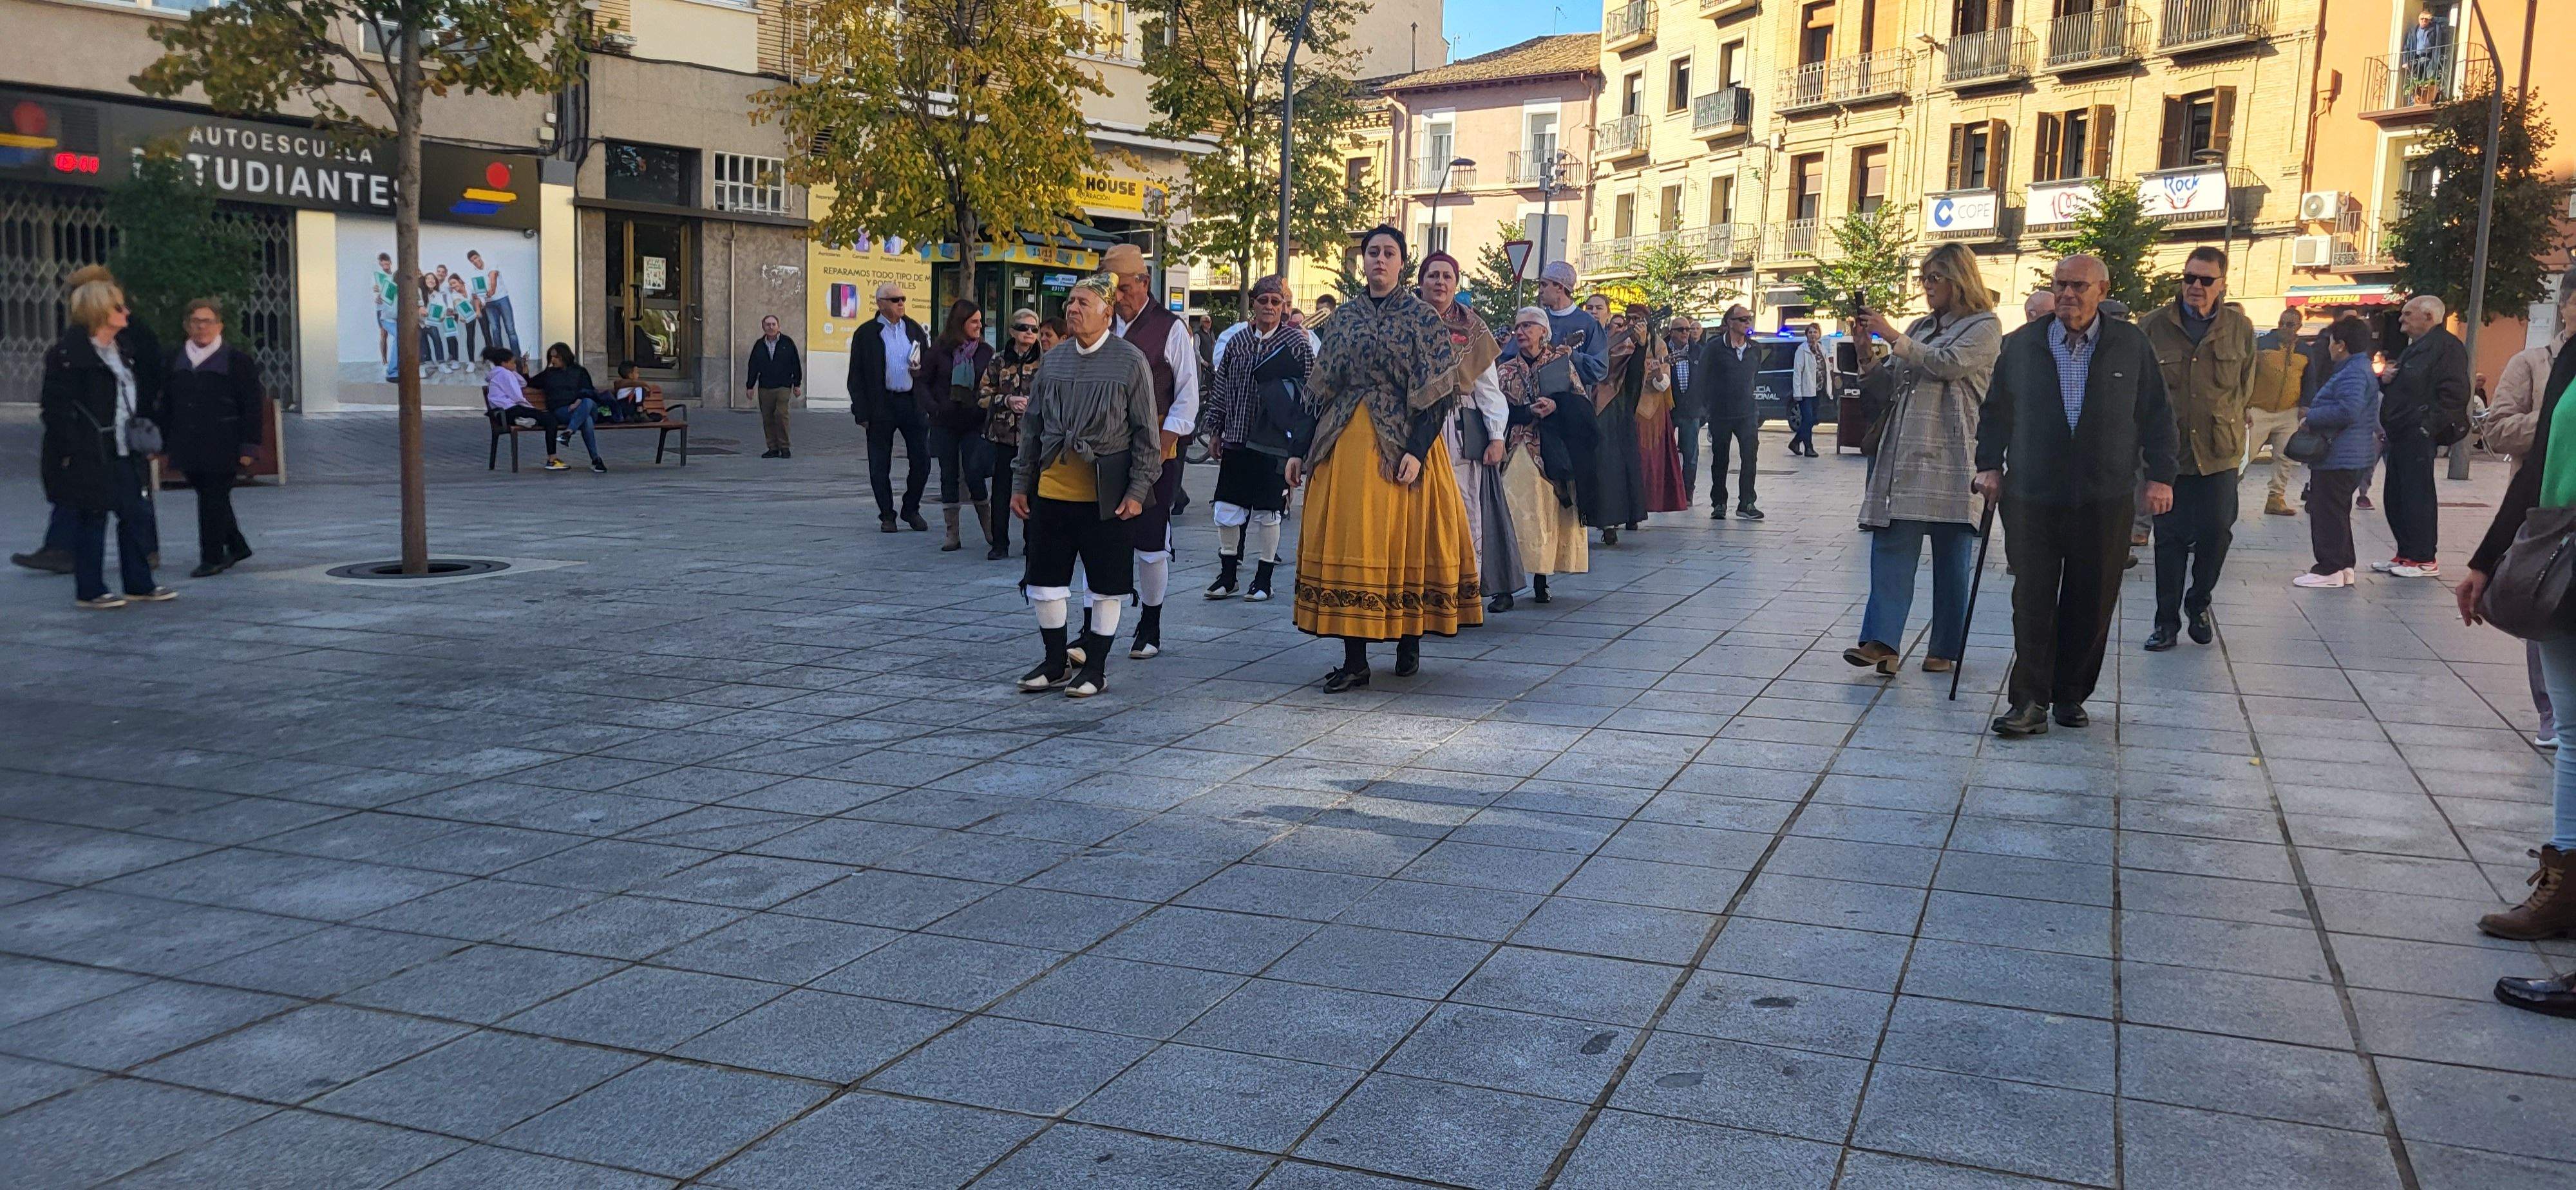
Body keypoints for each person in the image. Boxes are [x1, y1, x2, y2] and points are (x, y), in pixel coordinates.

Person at [1975, 254, 2177, 737]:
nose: (2067, 295)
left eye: (2079, 286)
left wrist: (2161, 477)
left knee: (2093, 600)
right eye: (2060, 285)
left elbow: (2157, 415)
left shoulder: (2130, 344)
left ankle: (2070, 693)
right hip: (2032, 495)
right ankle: (2028, 700)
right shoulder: (2021, 345)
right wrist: (1987, 465)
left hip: (2105, 496)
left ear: (2102, 291)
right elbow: (1995, 411)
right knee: (2033, 599)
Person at [1287, 225, 1482, 690]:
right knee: (1349, 543)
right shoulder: (1344, 317)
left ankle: (1407, 637)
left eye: (1388, 253)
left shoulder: (1422, 318)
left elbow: (1438, 394)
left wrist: (1417, 451)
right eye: (1372, 252)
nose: (1379, 260)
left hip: (1405, 442)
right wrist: (1298, 450)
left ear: (1401, 263)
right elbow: (1318, 388)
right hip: (1345, 439)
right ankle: (1354, 659)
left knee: (1403, 541)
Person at [2454, 314, 2576, 956]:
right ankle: (2563, 889)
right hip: (2561, 551)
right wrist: (2485, 558)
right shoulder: (2568, 360)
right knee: (2573, 730)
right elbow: (2535, 471)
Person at [1847, 243, 2003, 676]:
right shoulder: (1921, 325)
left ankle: (1945, 647)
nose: (1927, 287)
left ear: (1959, 279)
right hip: (1907, 452)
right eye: (1924, 279)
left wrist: (1893, 335)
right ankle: (1882, 643)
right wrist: (1866, 350)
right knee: (1892, 543)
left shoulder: (1985, 326)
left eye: (1935, 278)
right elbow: (1887, 387)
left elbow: (1948, 364)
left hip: (1954, 453)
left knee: (1952, 556)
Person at [1010, 272, 1160, 699]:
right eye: (1070, 303)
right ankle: (1055, 661)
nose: (1073, 310)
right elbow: (1033, 427)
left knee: (1108, 585)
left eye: (1083, 304)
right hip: (1052, 491)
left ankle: (1094, 667)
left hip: (1106, 494)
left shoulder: (1130, 361)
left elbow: (1147, 433)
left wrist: (1136, 492)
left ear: (1108, 314)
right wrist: (1022, 482)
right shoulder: (1053, 360)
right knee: (1045, 582)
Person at [2139, 247, 2258, 652]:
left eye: (2206, 280)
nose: (2195, 286)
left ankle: (2199, 601)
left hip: (2219, 453)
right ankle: (2165, 622)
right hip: (2168, 454)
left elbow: (2243, 386)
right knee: (2169, 540)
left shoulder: (2240, 328)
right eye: (2189, 278)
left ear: (2223, 284)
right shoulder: (2153, 325)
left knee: (2216, 534)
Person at [17, 266, 161, 577]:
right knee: (93, 508)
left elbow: (145, 378)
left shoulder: (128, 339)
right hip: (94, 442)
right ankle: (83, 572)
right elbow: (58, 407)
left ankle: (139, 562)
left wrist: (143, 418)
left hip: (123, 436)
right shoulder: (75, 348)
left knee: (131, 504)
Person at [42, 274, 175, 608]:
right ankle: (90, 589)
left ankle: (139, 583)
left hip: (125, 447)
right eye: (118, 306)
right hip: (90, 450)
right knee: (93, 516)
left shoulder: (124, 351)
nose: (126, 312)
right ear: (99, 310)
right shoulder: (68, 356)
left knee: (136, 513)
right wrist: (73, 447)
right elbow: (55, 410)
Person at [2480, 278, 2575, 744]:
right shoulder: (2533, 363)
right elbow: (2496, 431)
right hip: (2543, 511)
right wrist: (2558, 416)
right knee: (2548, 603)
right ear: (2565, 307)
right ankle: (2550, 715)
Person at [1102, 243, 1200, 661]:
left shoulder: (1170, 328)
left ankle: (1151, 621)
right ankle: (1098, 630)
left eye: (1124, 289)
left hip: (1156, 448)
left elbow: (1188, 397)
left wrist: (1161, 448)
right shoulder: (1100, 324)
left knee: (1149, 538)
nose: (1118, 298)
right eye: (1112, 290)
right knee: (1105, 536)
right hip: (1106, 449)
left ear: (1143, 283)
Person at [1419, 253, 1524, 611]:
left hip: (1458, 426)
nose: (1440, 282)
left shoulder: (1472, 328)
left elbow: (1489, 388)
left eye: (1447, 276)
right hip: (1412, 425)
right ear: (1421, 282)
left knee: (1463, 508)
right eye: (1433, 275)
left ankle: (1465, 592)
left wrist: (1497, 436)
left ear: (1456, 282)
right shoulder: (1407, 321)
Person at [1201, 275, 1307, 603]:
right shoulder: (1236, 342)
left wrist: (1300, 442)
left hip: (1274, 440)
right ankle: (1228, 575)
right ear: (1254, 304)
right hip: (1236, 434)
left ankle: (1264, 579)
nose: (1271, 308)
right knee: (1228, 506)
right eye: (1265, 301)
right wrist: (1215, 428)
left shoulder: (1297, 343)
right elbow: (1221, 387)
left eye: (1277, 302)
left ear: (1284, 306)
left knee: (1269, 510)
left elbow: (1311, 393)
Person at [1498, 306, 1592, 604]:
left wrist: (1556, 407)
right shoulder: (1505, 369)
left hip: (1553, 447)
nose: (1521, 332)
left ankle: (1541, 578)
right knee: (1512, 511)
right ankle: (1505, 588)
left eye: (1528, 326)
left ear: (1543, 331)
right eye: (1518, 327)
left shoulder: (1561, 364)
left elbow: (1581, 405)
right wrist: (1526, 412)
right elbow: (1495, 409)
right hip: (1517, 444)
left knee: (1548, 512)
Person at [162, 299, 263, 578]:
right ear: (187, 325)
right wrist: (161, 441)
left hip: (224, 443)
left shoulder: (238, 362)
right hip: (187, 442)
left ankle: (212, 557)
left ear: (219, 325)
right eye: (196, 321)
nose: (201, 327)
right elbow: (165, 403)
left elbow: (252, 407)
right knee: (211, 496)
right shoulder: (174, 359)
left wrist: (249, 447)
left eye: (207, 321)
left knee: (212, 498)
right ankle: (238, 545)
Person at [2377, 294, 2470, 577]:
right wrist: (2386, 380)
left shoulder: (2446, 348)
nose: (2401, 319)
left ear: (2429, 317)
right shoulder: (2415, 348)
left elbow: (2454, 394)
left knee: (2418, 494)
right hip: (2400, 432)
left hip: (2417, 432)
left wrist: (2425, 427)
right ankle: (2405, 554)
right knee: (2396, 494)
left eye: (2408, 314)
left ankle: (2424, 558)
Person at [2293, 316, 2383, 590]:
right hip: (2350, 454)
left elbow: (2348, 410)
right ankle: (2344, 566)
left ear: (2341, 345)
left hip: (2340, 454)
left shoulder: (2352, 372)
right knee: (2337, 510)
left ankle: (2328, 568)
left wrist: (2312, 417)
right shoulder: (2359, 367)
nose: (2329, 347)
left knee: (2325, 511)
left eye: (2332, 342)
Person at [850, 281, 933, 533]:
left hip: (911, 401)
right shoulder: (866, 334)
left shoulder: (914, 329)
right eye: (895, 300)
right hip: (881, 404)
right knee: (879, 464)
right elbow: (856, 377)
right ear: (881, 304)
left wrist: (922, 376)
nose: (901, 304)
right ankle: (887, 514)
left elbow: (928, 364)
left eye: (903, 299)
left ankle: (911, 508)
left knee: (922, 460)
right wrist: (862, 412)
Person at [923, 300, 996, 553]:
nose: (980, 326)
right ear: (960, 322)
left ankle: (989, 527)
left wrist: (982, 407)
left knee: (974, 471)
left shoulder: (985, 352)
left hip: (974, 422)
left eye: (980, 321)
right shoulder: (939, 351)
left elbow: (992, 385)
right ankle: (951, 533)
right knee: (948, 474)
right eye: (974, 321)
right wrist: (935, 407)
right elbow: (923, 383)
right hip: (945, 421)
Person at [979, 308, 1045, 561]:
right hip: (1004, 437)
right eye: (1023, 328)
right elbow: (982, 397)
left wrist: (1032, 403)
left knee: (1032, 491)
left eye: (1034, 329)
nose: (1029, 333)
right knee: (1002, 491)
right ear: (1012, 332)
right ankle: (999, 543)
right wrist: (1007, 400)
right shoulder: (998, 361)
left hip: (1034, 438)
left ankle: (1033, 543)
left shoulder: (1045, 361)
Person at [1584, 308, 1654, 543]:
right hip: (1588, 409)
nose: (1620, 329)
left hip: (1615, 415)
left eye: (1622, 325)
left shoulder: (1627, 354)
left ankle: (1610, 522)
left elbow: (1635, 377)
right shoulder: (1590, 347)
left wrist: (1642, 346)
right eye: (1614, 325)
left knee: (1610, 470)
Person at [1696, 305, 1764, 520]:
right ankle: (1719, 503)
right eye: (1742, 319)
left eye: (1749, 319)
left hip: (1747, 413)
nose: (1747, 323)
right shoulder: (1714, 348)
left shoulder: (1755, 348)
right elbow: (1702, 378)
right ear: (1729, 322)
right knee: (1721, 458)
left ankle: (1747, 503)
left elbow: (1755, 375)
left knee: (1750, 457)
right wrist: (1706, 408)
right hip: (1721, 413)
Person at [2248, 308, 2309, 516]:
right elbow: (2247, 374)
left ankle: (2276, 498)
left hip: (2289, 412)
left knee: (2284, 457)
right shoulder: (2262, 344)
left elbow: (2311, 379)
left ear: (2299, 327)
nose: (2284, 327)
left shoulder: (2306, 351)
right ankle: (2227, 493)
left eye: (2290, 325)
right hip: (2258, 409)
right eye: (2282, 323)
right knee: (2243, 454)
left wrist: (2306, 405)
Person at [483, 345, 571, 470]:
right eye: (513, 363)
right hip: (511, 411)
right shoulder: (505, 375)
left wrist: (516, 370)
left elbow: (523, 383)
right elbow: (517, 397)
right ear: (504, 363)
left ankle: (524, 419)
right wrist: (533, 409)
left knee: (547, 419)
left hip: (504, 413)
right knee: (551, 420)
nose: (515, 365)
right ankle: (552, 459)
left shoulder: (502, 373)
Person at [529, 343, 604, 472]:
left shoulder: (579, 371)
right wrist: (524, 370)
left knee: (587, 401)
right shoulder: (549, 374)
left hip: (584, 407)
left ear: (565, 356)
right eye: (551, 357)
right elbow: (531, 383)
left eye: (556, 357)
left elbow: (589, 390)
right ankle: (596, 459)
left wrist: (578, 400)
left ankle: (569, 432)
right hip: (562, 411)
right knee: (587, 421)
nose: (553, 360)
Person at [1535, 261, 1606, 391]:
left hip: (1573, 403)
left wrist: (1573, 356)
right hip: (1537, 401)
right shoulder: (1537, 320)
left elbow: (1600, 368)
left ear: (1560, 288)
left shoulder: (1589, 324)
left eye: (1544, 285)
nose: (1540, 290)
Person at [745, 314, 802, 458]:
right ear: (763, 327)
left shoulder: (787, 343)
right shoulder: (759, 345)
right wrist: (750, 386)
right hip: (765, 387)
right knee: (768, 417)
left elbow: (795, 363)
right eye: (768, 325)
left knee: (781, 414)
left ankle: (785, 447)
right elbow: (753, 366)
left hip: (783, 385)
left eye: (773, 324)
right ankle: (772, 448)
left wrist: (797, 384)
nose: (771, 327)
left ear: (778, 326)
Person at [1667, 321, 1706, 495]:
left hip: (1692, 410)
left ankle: (1687, 491)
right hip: (1669, 409)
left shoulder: (1698, 351)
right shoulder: (1663, 350)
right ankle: (1668, 490)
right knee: (1666, 453)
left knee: (1691, 455)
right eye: (1681, 330)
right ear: (1671, 332)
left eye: (1688, 330)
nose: (1685, 333)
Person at [1789, 321, 1835, 459]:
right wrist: (1797, 392)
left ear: (1819, 334)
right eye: (1810, 332)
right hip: (1806, 391)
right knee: (1808, 419)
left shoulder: (1822, 349)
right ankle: (1808, 448)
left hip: (1819, 390)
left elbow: (1827, 369)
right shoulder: (1802, 350)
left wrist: (1830, 388)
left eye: (1815, 332)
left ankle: (1796, 442)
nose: (1813, 335)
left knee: (1813, 419)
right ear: (1806, 335)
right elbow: (1797, 372)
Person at [467, 249, 519, 355]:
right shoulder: (474, 274)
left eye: (476, 258)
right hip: (489, 304)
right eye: (472, 261)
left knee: (510, 329)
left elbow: (493, 278)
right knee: (495, 330)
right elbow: (475, 294)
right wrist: (479, 303)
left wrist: (492, 290)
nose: (475, 261)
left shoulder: (491, 265)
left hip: (502, 299)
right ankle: (500, 359)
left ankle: (517, 358)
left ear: (480, 256)